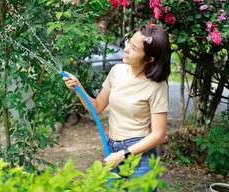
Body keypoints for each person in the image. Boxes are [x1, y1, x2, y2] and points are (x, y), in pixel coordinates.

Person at [62, 24, 171, 191]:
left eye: (134, 48)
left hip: (139, 156)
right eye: (129, 43)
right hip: (112, 148)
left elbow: (159, 135)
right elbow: (96, 108)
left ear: (149, 59)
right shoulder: (117, 71)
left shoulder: (157, 86)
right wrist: (78, 87)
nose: (126, 49)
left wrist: (123, 154)